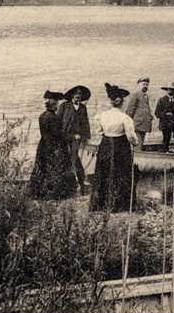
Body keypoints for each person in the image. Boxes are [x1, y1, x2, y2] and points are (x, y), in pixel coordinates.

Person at [90, 82, 140, 213]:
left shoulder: (102, 116)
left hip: (105, 145)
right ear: (121, 101)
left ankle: (102, 203)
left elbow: (99, 131)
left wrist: (107, 134)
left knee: (104, 173)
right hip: (121, 147)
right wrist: (135, 143)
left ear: (111, 101)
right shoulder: (125, 118)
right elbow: (131, 137)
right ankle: (119, 205)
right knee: (121, 174)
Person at [28, 90, 78, 200]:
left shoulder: (42, 116)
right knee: (56, 167)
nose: (58, 105)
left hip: (44, 145)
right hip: (54, 146)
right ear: (54, 104)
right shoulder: (53, 118)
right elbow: (58, 135)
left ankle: (39, 192)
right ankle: (56, 193)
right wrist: (72, 137)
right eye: (57, 103)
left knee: (42, 167)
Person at [58, 84, 91, 195]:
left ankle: (78, 183)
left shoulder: (83, 108)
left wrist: (86, 137)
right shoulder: (64, 106)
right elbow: (58, 121)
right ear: (72, 95)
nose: (78, 96)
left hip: (77, 138)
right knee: (67, 158)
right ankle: (75, 182)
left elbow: (86, 123)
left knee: (74, 158)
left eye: (80, 95)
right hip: (64, 136)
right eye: (76, 94)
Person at [154, 82, 174, 151]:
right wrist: (165, 114)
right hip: (166, 125)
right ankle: (166, 156)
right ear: (167, 90)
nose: (171, 91)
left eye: (173, 90)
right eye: (169, 89)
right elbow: (157, 113)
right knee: (166, 142)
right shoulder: (162, 100)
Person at [124, 77, 153, 147]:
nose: (145, 86)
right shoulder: (135, 95)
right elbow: (130, 110)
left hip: (144, 126)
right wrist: (129, 123)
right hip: (137, 125)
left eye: (147, 84)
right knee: (138, 145)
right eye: (143, 84)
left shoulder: (146, 96)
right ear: (139, 85)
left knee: (141, 143)